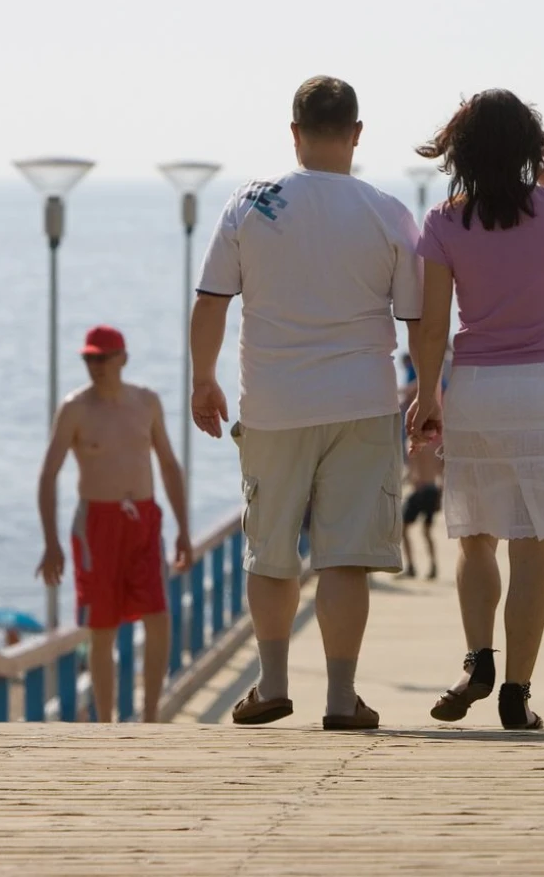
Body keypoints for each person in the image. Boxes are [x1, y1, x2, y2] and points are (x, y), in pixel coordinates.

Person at [191, 74, 422, 731]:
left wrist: (202, 379)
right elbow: (416, 318)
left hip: (273, 404)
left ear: (293, 134)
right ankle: (342, 699)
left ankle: (271, 685)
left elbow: (212, 301)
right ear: (356, 134)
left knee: (269, 552)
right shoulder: (389, 213)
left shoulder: (249, 204)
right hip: (364, 402)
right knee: (345, 556)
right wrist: (429, 389)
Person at [409, 89, 544, 731]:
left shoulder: (443, 222)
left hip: (479, 391)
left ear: (460, 152)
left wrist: (427, 393)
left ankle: (478, 660)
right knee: (532, 548)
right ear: (529, 147)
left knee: (474, 537)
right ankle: (517, 692)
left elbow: (433, 326)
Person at [36, 325, 193, 724]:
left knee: (158, 616)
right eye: (90, 358)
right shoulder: (75, 408)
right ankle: (105, 725)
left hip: (143, 520)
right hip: (96, 525)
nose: (96, 366)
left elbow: (169, 466)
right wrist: (51, 543)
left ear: (123, 358)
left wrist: (183, 530)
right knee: (101, 629)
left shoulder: (146, 403)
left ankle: (151, 717)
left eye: (103, 357)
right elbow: (48, 475)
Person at [401, 442, 443, 581]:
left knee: (403, 528)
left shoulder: (414, 445)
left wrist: (402, 482)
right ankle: (433, 566)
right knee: (427, 531)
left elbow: (412, 472)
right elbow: (441, 473)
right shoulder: (435, 448)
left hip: (420, 490)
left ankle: (411, 566)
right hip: (433, 490)